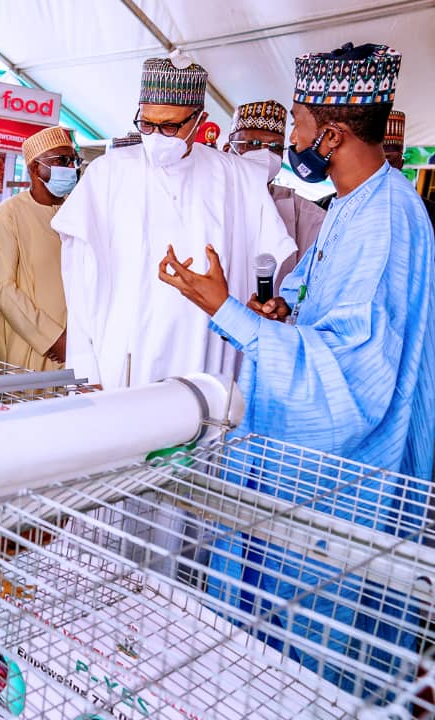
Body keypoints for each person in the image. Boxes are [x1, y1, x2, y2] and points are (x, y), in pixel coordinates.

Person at [165, 43, 433, 695]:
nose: (292, 136)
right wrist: (282, 311)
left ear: (332, 134)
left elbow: (351, 378)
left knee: (319, 651)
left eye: (299, 121)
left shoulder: (388, 220)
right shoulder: (353, 204)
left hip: (348, 480)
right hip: (308, 469)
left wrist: (226, 310)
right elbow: (323, 315)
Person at [52, 52, 295, 389]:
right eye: (148, 124)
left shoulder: (237, 178)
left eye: (169, 126)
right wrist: (84, 370)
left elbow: (268, 272)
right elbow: (78, 278)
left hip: (207, 362)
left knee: (203, 434)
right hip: (122, 365)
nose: (156, 137)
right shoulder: (107, 174)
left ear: (200, 120)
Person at [0, 126, 73, 372]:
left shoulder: (74, 212)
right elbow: (1, 287)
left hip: (75, 341)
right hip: (30, 342)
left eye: (73, 161)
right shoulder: (10, 213)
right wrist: (51, 337)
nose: (70, 168)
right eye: (62, 161)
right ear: (35, 168)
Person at [226, 99, 325, 286]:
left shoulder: (307, 215)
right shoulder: (205, 201)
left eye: (275, 148)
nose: (265, 153)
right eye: (253, 143)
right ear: (227, 150)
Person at [384, 109, 435, 227]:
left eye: (388, 159)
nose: (380, 168)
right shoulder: (337, 205)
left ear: (400, 164)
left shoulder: (426, 212)